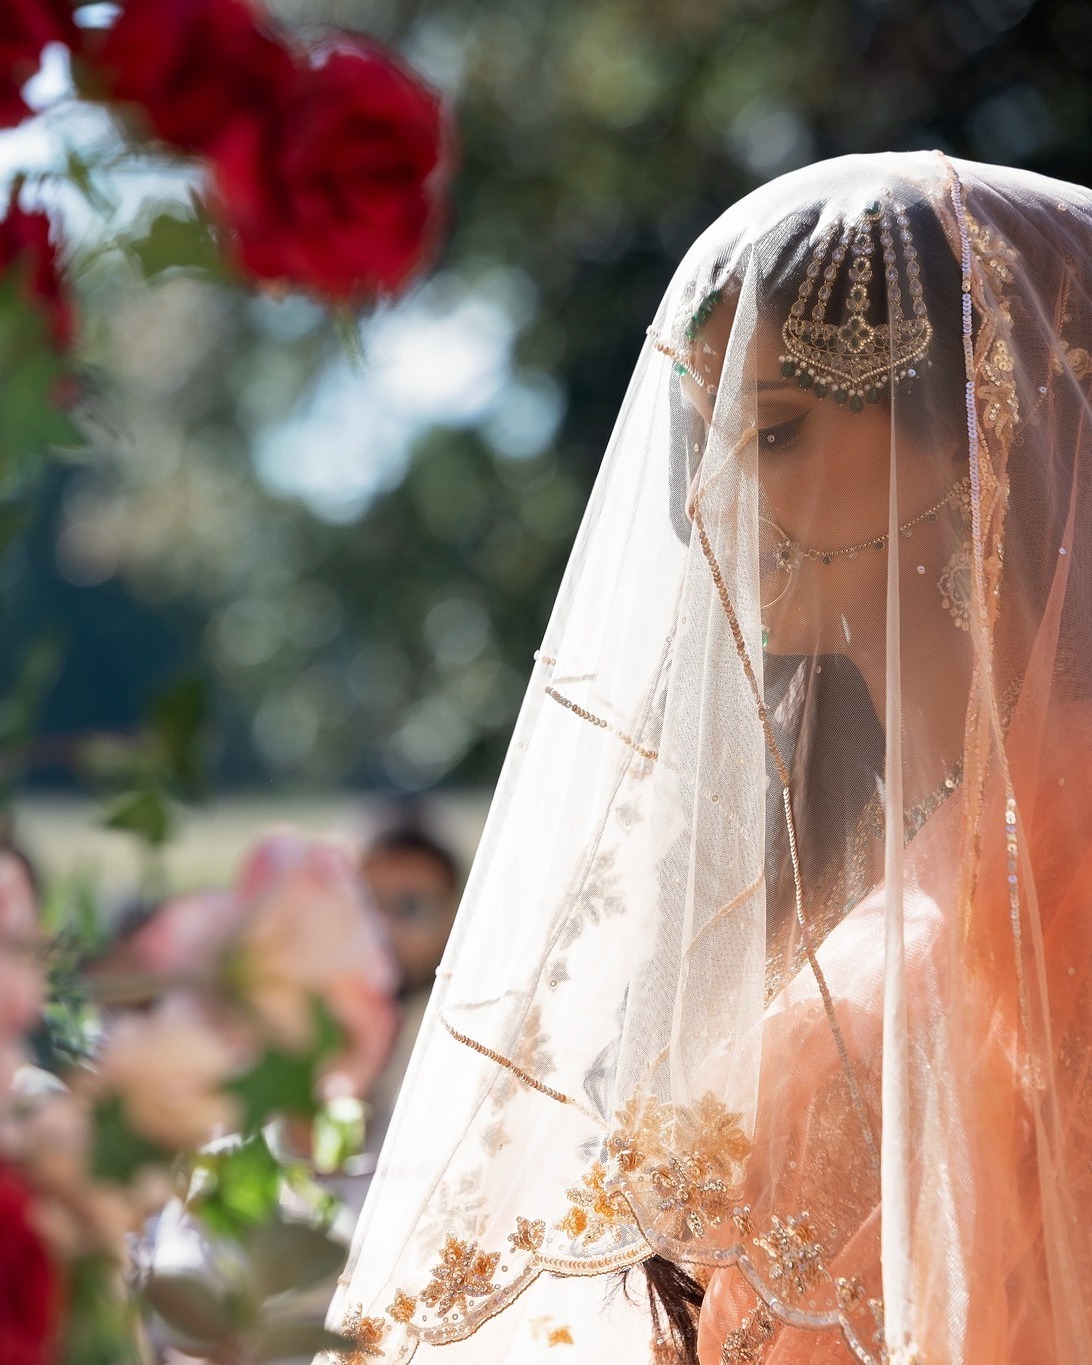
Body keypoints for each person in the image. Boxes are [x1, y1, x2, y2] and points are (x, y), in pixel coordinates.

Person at [325, 153, 1092, 1364]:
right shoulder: (861, 890)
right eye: (704, 435)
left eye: (775, 430)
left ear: (974, 429)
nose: (704, 500)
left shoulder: (1054, 869)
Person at [358, 825, 461, 1158]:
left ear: (453, 919)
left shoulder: (467, 1038)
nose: (384, 927)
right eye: (367, 904)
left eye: (411, 907)